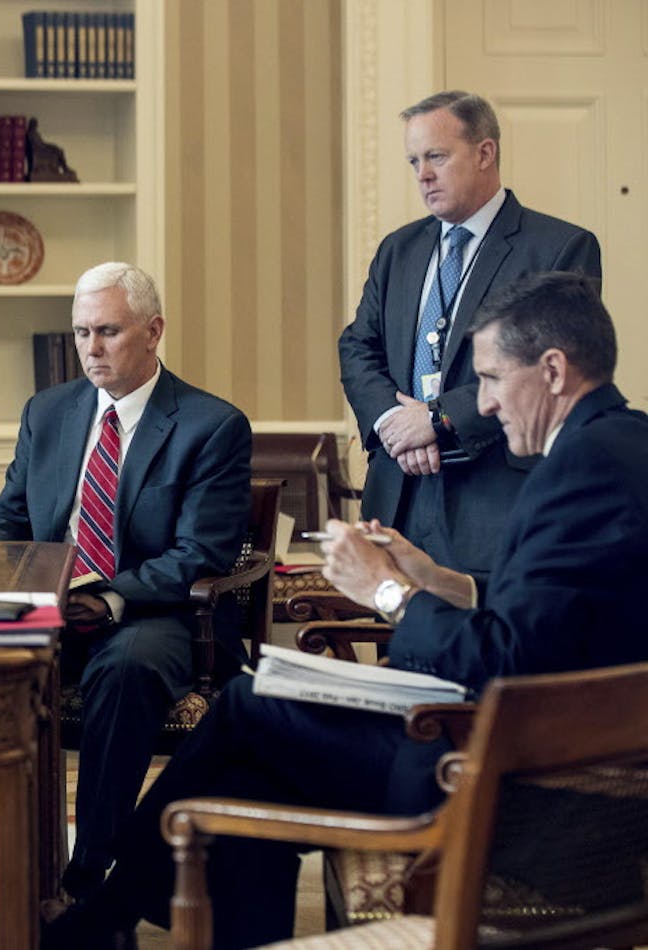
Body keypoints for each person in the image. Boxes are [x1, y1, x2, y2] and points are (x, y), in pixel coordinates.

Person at [43, 271, 648, 949]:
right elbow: (552, 619)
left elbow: (504, 659)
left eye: (490, 378)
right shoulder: (624, 446)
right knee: (246, 777)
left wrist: (386, 591)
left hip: (525, 800)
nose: (483, 403)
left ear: (554, 371)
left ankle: (102, 913)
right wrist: (439, 578)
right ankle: (109, 913)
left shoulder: (579, 470)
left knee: (247, 710)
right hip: (534, 758)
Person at [0, 262, 251, 903]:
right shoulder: (48, 412)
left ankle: (90, 873)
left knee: (123, 670)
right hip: (55, 604)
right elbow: (7, 512)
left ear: (153, 332)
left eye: (108, 332)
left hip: (158, 615)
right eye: (80, 333)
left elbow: (199, 553)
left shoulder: (211, 426)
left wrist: (108, 595)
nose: (91, 350)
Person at [339, 90, 600, 578]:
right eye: (414, 160)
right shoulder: (399, 249)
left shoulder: (559, 248)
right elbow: (358, 346)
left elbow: (550, 368)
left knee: (480, 641)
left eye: (436, 156)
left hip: (494, 495)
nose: (423, 174)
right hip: (399, 493)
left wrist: (438, 419)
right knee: (400, 643)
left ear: (485, 153)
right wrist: (395, 420)